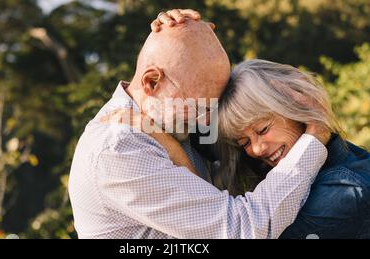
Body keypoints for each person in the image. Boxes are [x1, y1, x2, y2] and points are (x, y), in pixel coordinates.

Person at [68, 13, 329, 239]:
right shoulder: (119, 150)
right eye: (200, 107)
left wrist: (183, 31)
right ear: (151, 82)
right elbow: (242, 229)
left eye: (212, 106)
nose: (207, 122)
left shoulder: (167, 112)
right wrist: (314, 137)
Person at [151, 10, 370, 239]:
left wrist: (316, 129)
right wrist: (176, 35)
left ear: (292, 108)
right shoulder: (270, 159)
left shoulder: (345, 189)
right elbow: (194, 129)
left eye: (263, 130)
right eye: (243, 142)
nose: (257, 149)